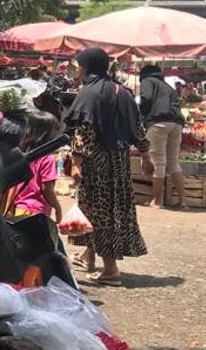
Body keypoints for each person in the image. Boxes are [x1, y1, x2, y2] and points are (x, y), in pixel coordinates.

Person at [65, 47, 149, 287]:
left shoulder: (88, 93)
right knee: (110, 209)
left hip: (97, 162)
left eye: (79, 64)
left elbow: (84, 132)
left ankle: (111, 270)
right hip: (120, 160)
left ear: (88, 66)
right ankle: (88, 257)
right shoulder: (121, 91)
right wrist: (145, 154)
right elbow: (137, 127)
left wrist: (77, 162)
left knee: (100, 211)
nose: (76, 68)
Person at [138, 65, 185, 208]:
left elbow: (146, 99)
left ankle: (157, 200)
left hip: (158, 122)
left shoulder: (147, 81)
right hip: (177, 123)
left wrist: (141, 114)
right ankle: (183, 201)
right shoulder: (168, 87)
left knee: (157, 161)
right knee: (173, 161)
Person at [12, 111, 64, 222]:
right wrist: (57, 207)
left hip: (19, 207)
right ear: (48, 133)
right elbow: (47, 189)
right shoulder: (47, 158)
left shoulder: (21, 154)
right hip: (37, 212)